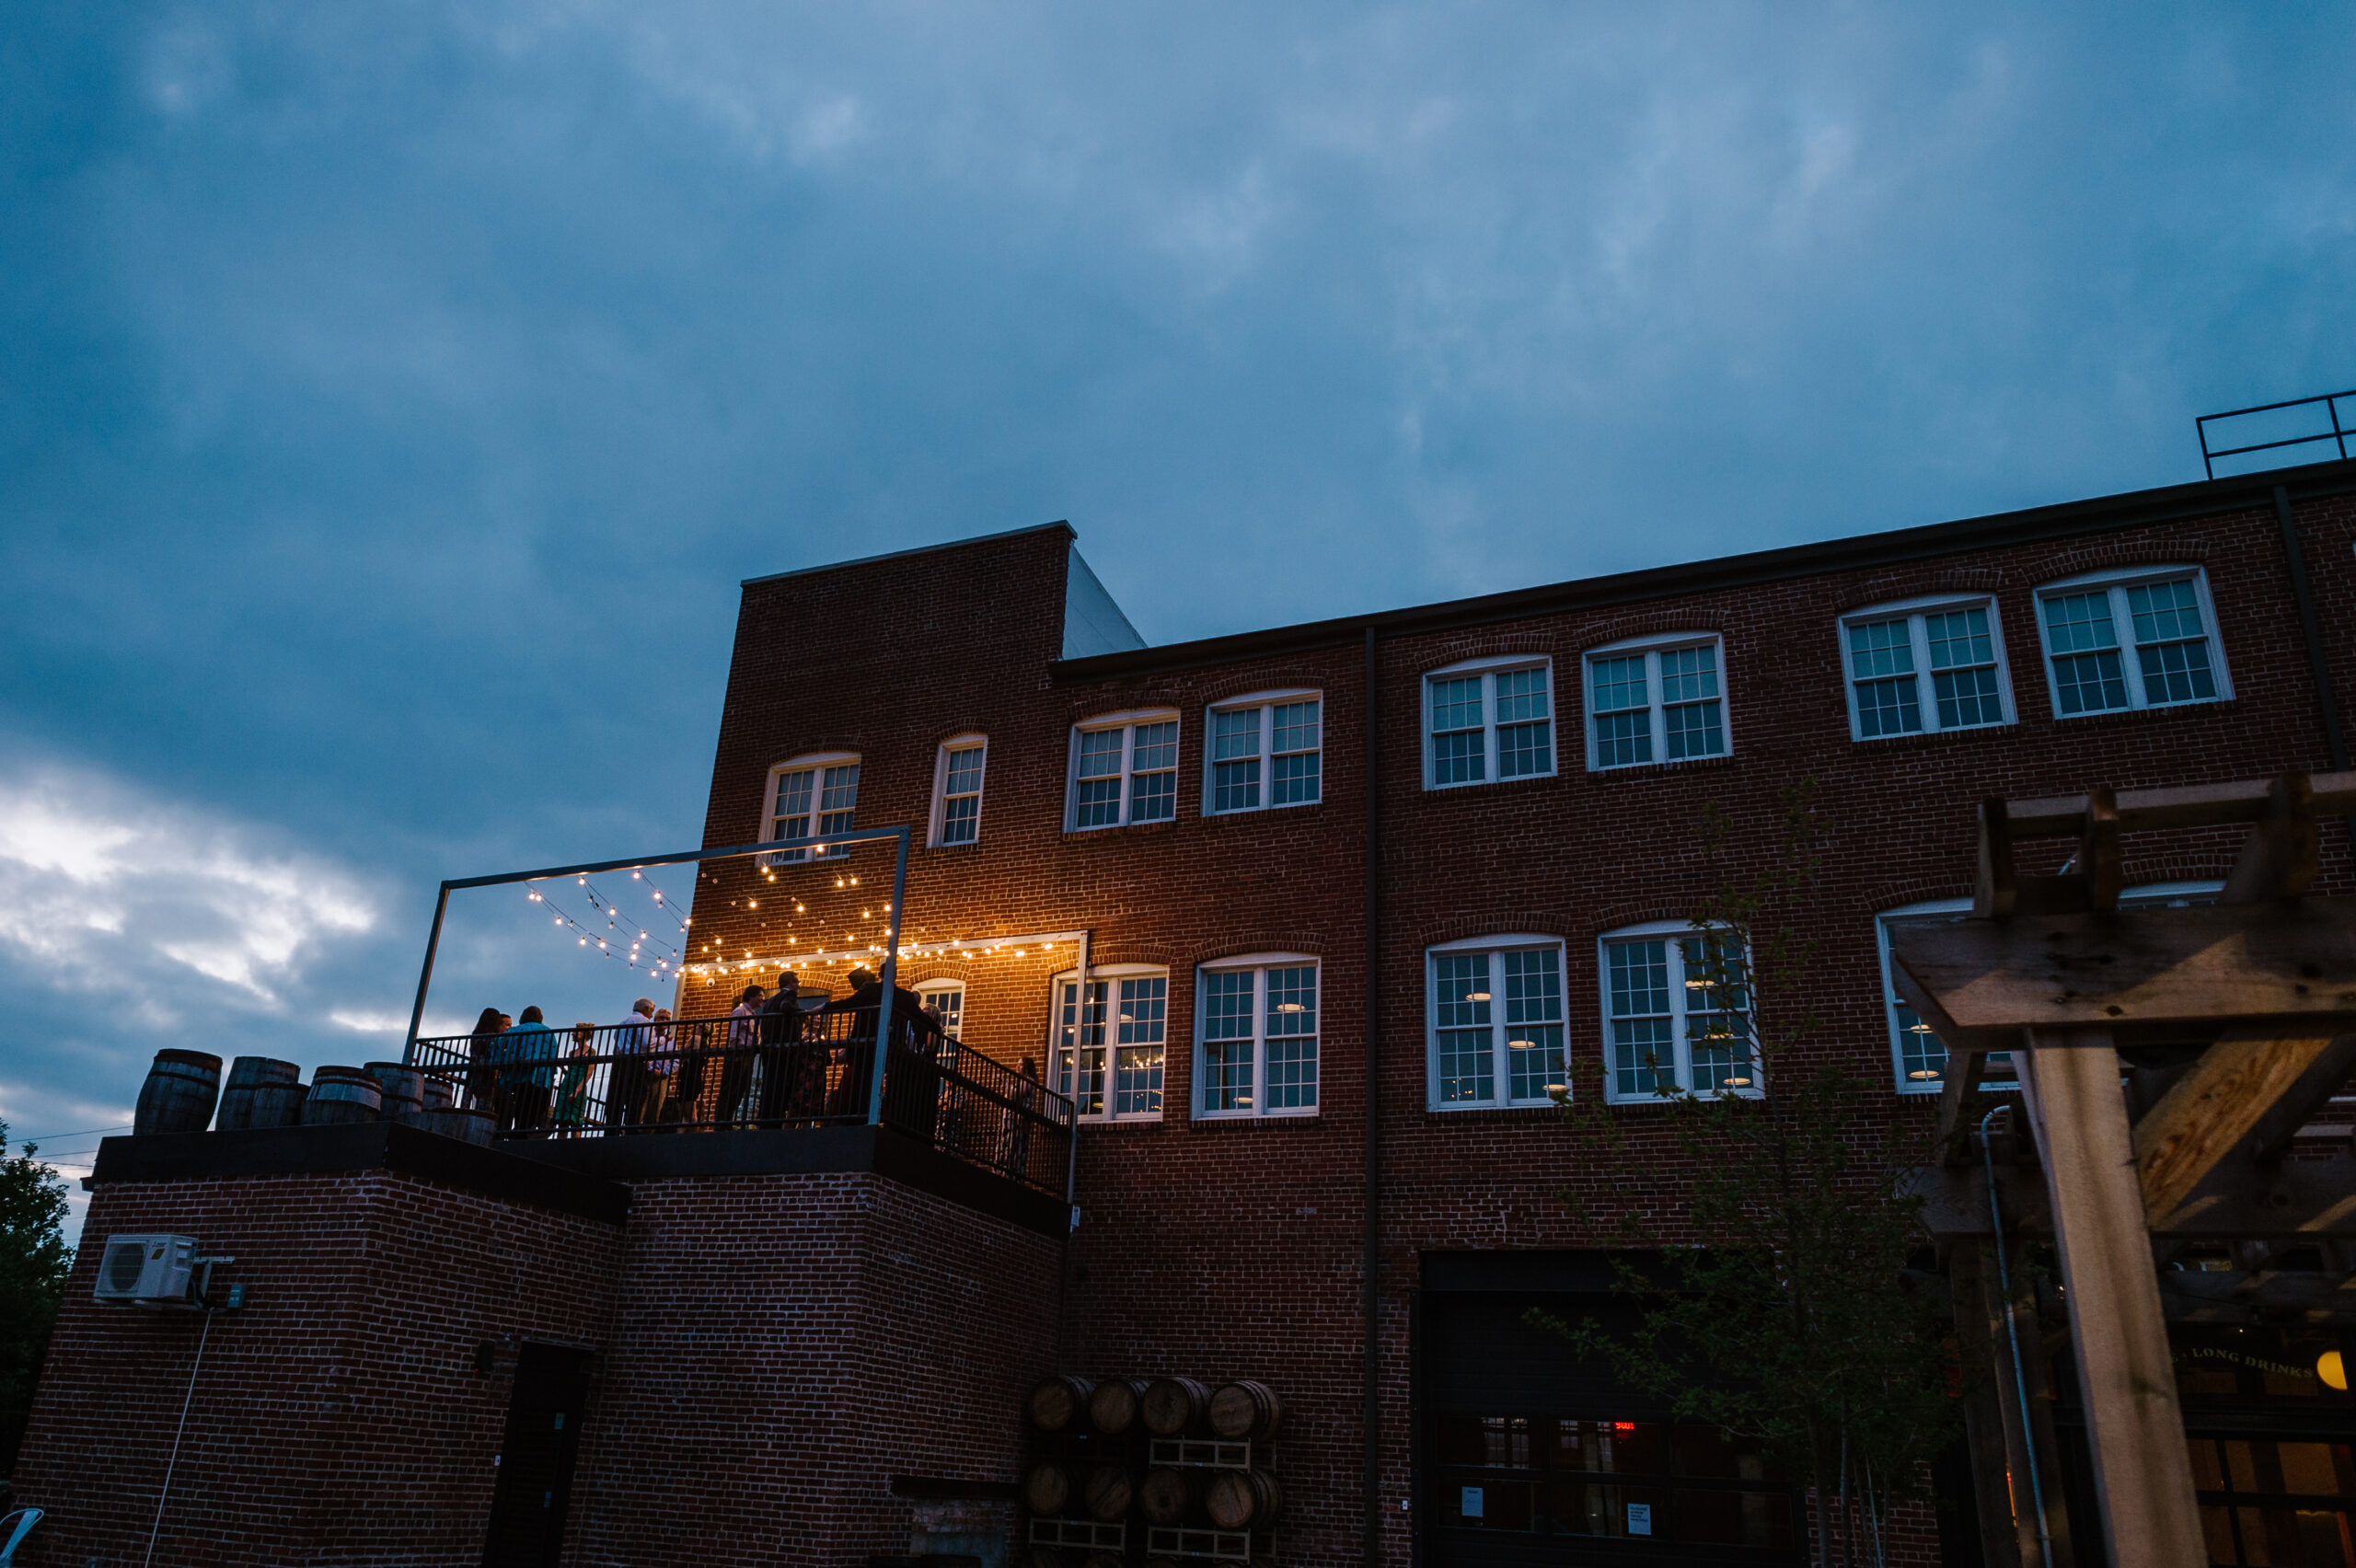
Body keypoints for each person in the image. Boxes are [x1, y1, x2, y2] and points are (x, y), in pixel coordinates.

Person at [824, 969, 945, 1124]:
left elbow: (848, 1003)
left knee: (867, 1086)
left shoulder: (877, 993)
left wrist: (936, 1029)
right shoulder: (899, 1000)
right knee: (864, 1087)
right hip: (875, 1051)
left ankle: (865, 1116)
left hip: (880, 1054)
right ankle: (862, 1116)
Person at [494, 1006, 559, 1134]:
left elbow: (499, 1043)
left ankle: (511, 1133)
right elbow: (553, 1054)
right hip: (540, 1075)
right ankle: (520, 1132)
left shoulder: (515, 1030)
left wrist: (502, 1059)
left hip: (515, 1074)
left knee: (518, 1104)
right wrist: (551, 1075)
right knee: (533, 1108)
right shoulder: (547, 1031)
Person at [753, 973, 804, 1124]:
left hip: (770, 1049)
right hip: (785, 1050)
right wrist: (804, 1013)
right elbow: (786, 1007)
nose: (799, 985)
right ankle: (776, 1120)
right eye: (797, 982)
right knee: (782, 1086)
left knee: (770, 1086)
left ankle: (766, 1120)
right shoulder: (790, 996)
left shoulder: (769, 1002)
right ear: (790, 983)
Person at [609, 998, 666, 1133]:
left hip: (621, 1061)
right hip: (636, 1062)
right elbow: (647, 1042)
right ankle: (631, 1128)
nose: (651, 1015)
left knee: (618, 1096)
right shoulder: (644, 1022)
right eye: (651, 1011)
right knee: (636, 1096)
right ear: (646, 1009)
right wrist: (663, 1040)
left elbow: (616, 1039)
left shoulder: (623, 1022)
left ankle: (612, 1128)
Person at [717, 984, 766, 1126]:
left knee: (739, 1091)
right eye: (760, 995)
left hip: (748, 1058)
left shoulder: (753, 1015)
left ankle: (728, 1121)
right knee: (729, 1090)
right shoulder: (740, 1011)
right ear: (751, 996)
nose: (762, 999)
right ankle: (722, 1123)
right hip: (738, 1057)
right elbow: (733, 1035)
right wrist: (737, 1055)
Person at [552, 1024, 597, 1135]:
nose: (572, 1033)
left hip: (579, 1086)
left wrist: (577, 1090)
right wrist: (562, 1068)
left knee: (575, 1123)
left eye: (576, 1031)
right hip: (566, 1086)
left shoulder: (591, 1051)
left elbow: (589, 1073)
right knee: (562, 1123)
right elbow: (570, 1072)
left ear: (584, 1034)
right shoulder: (571, 1053)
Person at [465, 1007, 506, 1112]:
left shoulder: (476, 1035)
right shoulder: (494, 1038)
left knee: (468, 1101)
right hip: (488, 1074)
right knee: (485, 1105)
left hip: (473, 1071)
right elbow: (497, 1055)